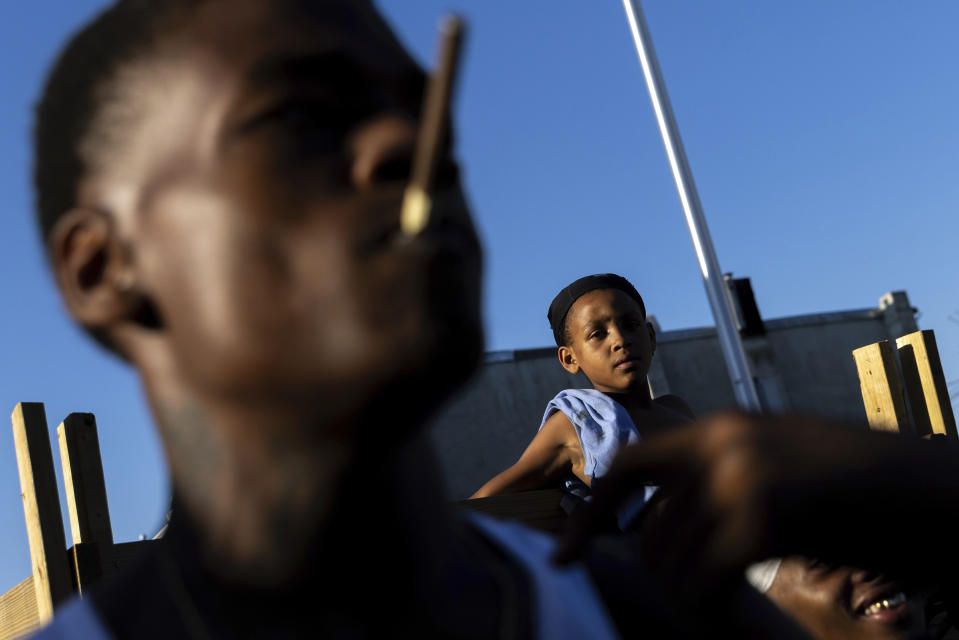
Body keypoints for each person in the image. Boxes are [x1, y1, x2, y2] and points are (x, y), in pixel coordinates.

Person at [471, 273, 693, 503]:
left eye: (630, 325)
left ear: (651, 337)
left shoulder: (677, 409)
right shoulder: (578, 423)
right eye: (597, 334)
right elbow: (483, 501)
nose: (619, 339)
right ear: (570, 359)